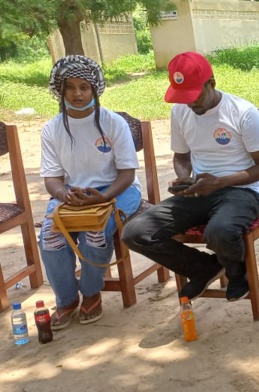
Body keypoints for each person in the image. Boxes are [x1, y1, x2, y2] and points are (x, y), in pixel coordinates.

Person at [122, 52, 259, 302]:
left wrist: (220, 182)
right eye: (184, 97)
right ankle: (203, 268)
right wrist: (184, 177)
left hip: (241, 191)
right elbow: (181, 157)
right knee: (135, 232)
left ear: (211, 82)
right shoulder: (181, 112)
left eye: (195, 95)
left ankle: (237, 274)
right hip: (199, 190)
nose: (191, 103)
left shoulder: (243, 113)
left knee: (220, 231)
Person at [38, 55, 142, 329]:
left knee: (95, 231)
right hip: (72, 193)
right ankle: (66, 299)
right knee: (50, 236)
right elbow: (52, 178)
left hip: (118, 189)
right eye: (70, 87)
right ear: (59, 91)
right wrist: (63, 195)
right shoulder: (51, 128)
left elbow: (127, 174)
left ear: (95, 88)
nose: (77, 93)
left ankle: (92, 292)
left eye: (84, 87)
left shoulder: (113, 123)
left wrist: (105, 196)